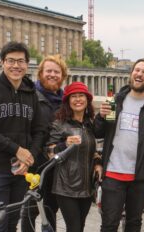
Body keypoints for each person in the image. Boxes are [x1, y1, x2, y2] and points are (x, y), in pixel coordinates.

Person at [0, 41, 46, 231]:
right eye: (11, 61)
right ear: (2, 63)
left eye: (20, 61)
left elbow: (39, 130)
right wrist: (17, 150)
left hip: (21, 172)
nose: (16, 66)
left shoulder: (32, 95)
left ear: (27, 64)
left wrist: (29, 156)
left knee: (12, 224)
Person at [94, 58, 144, 232]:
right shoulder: (116, 101)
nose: (139, 74)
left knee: (134, 223)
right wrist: (100, 116)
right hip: (113, 173)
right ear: (131, 75)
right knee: (109, 224)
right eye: (137, 70)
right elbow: (98, 132)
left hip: (140, 177)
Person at [47, 82, 103, 232]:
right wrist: (64, 144)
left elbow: (94, 150)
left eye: (81, 96)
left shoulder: (90, 123)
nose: (78, 100)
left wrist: (98, 163)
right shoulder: (60, 124)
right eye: (74, 96)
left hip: (86, 186)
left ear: (87, 100)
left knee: (80, 227)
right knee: (74, 228)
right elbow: (49, 152)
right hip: (66, 186)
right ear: (68, 101)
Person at [21, 55, 67, 232]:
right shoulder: (30, 96)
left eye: (57, 72)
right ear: (40, 73)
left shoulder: (65, 101)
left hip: (55, 164)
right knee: (31, 209)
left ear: (62, 76)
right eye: (48, 71)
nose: (52, 75)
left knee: (51, 209)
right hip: (35, 162)